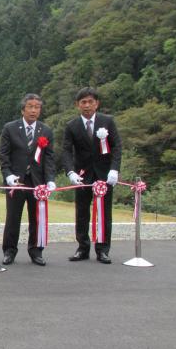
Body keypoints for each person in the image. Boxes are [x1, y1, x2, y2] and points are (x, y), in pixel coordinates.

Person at [62, 87, 122, 264]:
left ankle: (103, 250)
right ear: (77, 105)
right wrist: (70, 171)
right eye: (83, 102)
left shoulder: (107, 121)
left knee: (104, 212)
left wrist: (114, 169)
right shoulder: (71, 125)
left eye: (90, 102)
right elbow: (66, 151)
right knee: (81, 212)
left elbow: (117, 146)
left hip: (105, 174)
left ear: (97, 103)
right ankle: (82, 248)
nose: (87, 105)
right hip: (82, 175)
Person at [0, 93, 56, 266]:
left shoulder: (45, 130)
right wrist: (7, 174)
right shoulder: (10, 128)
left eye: (37, 107)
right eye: (30, 106)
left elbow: (49, 158)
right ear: (23, 109)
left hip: (37, 182)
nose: (33, 110)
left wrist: (50, 179)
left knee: (37, 218)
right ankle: (9, 251)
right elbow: (4, 155)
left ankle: (36, 251)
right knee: (13, 218)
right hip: (16, 181)